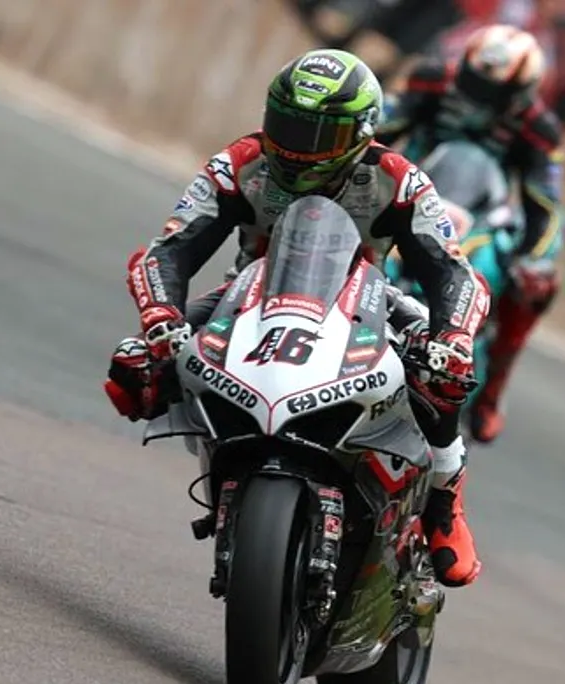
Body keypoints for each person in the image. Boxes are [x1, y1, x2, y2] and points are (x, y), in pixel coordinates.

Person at [102, 49, 489, 588]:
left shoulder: (399, 180)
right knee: (133, 373)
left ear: (360, 133)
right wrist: (160, 320)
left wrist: (452, 339)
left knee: (444, 379)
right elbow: (165, 253)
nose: (297, 149)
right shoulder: (239, 163)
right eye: (287, 126)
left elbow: (456, 274)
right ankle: (230, 465)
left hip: (367, 300)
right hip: (250, 292)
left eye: (318, 136)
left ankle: (445, 504)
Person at [375, 23, 565, 444]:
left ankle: (492, 391)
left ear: (520, 92)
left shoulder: (540, 129)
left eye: (489, 91)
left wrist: (535, 258)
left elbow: (548, 208)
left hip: (483, 216)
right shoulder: (429, 79)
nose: (473, 95)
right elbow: (380, 131)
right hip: (406, 189)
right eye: (471, 81)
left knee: (537, 283)